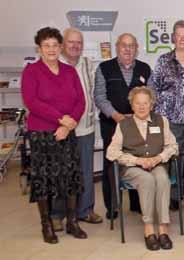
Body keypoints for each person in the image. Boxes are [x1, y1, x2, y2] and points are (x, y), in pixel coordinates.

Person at [21, 27, 87, 244]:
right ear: (39, 48)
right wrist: (60, 119)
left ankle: (72, 221)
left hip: (67, 131)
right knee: (44, 180)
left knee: (71, 177)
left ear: (60, 47)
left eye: (54, 45)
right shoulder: (32, 71)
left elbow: (80, 101)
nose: (51, 49)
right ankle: (46, 224)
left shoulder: (69, 71)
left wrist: (68, 125)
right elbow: (32, 102)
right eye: (46, 45)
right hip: (42, 133)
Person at [106, 87, 178, 251]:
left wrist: (158, 158)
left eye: (145, 103)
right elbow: (111, 152)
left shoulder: (162, 120)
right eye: (137, 103)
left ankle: (163, 228)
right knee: (146, 179)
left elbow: (173, 146)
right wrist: (136, 160)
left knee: (162, 179)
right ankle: (148, 228)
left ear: (151, 105)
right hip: (132, 168)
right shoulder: (123, 124)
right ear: (132, 105)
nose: (141, 106)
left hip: (156, 164)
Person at [149, 20, 184, 210]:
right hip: (170, 119)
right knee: (172, 158)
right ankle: (173, 196)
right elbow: (152, 88)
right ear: (173, 37)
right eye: (179, 35)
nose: (183, 38)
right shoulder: (163, 60)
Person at [50, 27, 102, 231]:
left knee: (86, 171)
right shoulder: (54, 65)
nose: (75, 46)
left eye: (79, 42)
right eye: (71, 42)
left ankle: (85, 210)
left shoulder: (88, 64)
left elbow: (91, 93)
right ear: (62, 44)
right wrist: (62, 121)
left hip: (86, 127)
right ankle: (57, 214)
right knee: (60, 172)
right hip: (61, 128)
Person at [95, 33, 150, 219]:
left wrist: (137, 116)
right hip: (111, 124)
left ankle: (137, 204)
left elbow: (151, 96)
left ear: (137, 48)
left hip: (138, 125)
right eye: (124, 45)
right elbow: (100, 97)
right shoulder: (104, 68)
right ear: (117, 47)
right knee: (111, 163)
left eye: (131, 46)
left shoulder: (144, 68)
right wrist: (117, 116)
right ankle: (112, 207)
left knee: (137, 160)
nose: (128, 49)